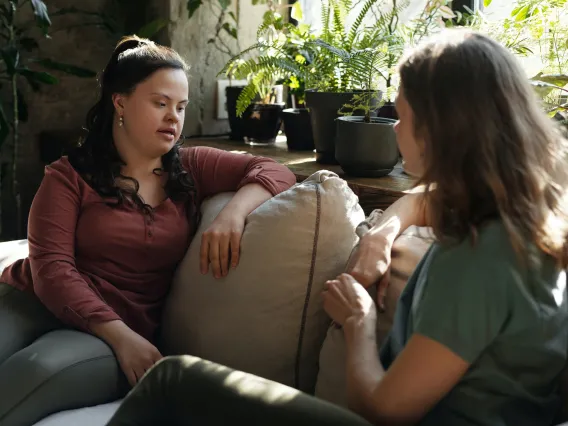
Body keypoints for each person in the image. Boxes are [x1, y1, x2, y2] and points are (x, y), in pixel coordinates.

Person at [104, 28, 568, 426]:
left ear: (441, 129)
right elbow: (430, 201)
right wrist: (384, 232)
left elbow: (387, 409)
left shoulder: (477, 264)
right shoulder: (520, 217)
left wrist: (359, 321)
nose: (392, 128)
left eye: (400, 116)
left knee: (172, 379)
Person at [0, 35, 296, 426]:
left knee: (36, 369)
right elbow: (52, 271)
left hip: (108, 334)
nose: (174, 117)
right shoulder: (67, 177)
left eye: (181, 107)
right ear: (119, 102)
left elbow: (277, 171)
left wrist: (232, 214)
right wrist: (122, 337)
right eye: (160, 103)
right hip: (30, 301)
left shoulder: (191, 167)